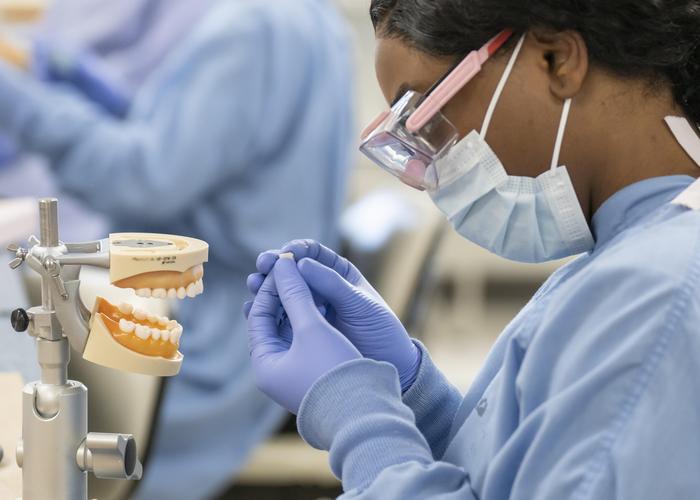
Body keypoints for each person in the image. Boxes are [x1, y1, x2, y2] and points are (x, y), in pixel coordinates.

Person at [245, 1, 700, 498]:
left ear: (556, 61)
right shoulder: (624, 261)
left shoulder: (657, 296)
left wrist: (359, 419)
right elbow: (515, 475)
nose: (426, 173)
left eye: (423, 114)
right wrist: (415, 394)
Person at [0, 0, 353, 498]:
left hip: (207, 343)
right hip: (262, 322)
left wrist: (15, 99)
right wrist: (77, 84)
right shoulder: (304, 17)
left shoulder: (252, 31)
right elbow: (188, 144)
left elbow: (142, 180)